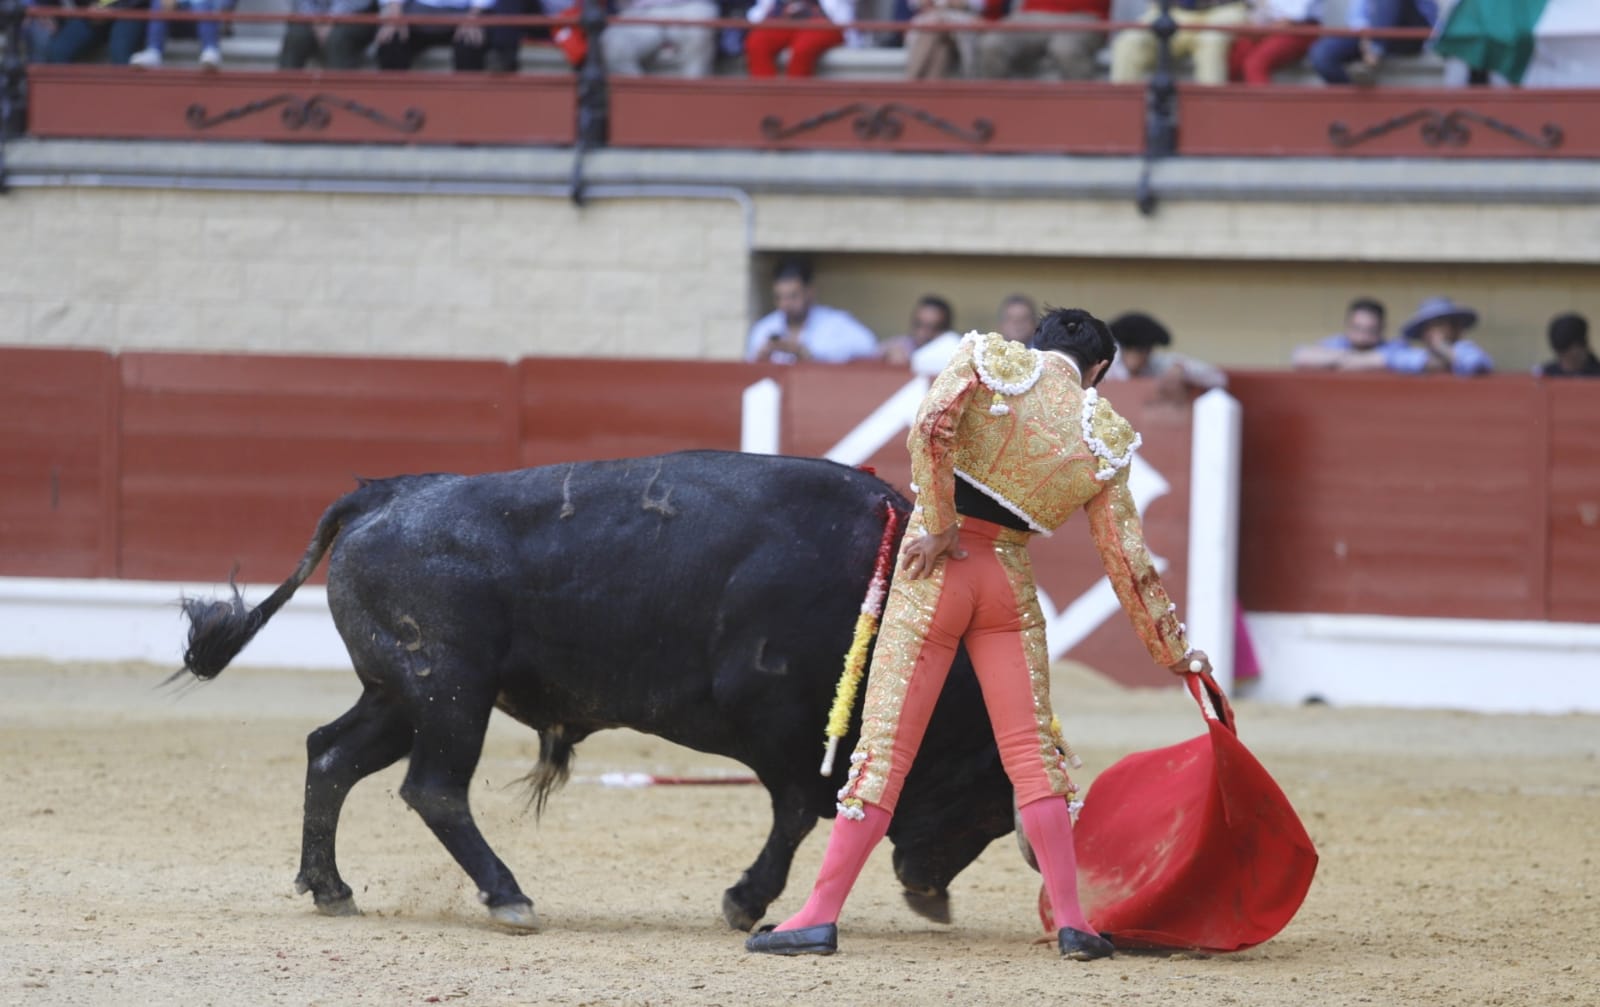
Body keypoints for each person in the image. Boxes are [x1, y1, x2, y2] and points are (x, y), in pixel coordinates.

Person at [744, 310, 1210, 959]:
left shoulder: (994, 362)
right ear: (1098, 370)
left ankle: (819, 915)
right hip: (1008, 587)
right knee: (1031, 756)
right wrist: (1175, 651)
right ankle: (1074, 921)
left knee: (884, 749)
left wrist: (936, 521)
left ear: (1037, 341)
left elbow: (931, 426)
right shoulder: (1101, 431)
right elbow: (1128, 562)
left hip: (937, 571)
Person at [746, 258, 879, 364]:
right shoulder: (764, 328)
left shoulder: (835, 323)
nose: (785, 304)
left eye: (793, 296)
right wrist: (760, 360)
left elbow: (869, 346)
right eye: (779, 297)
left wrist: (810, 354)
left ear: (810, 292)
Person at [1109, 0, 1250, 86]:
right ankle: (1121, 120)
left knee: (1210, 41)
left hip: (1222, 10)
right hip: (1171, 11)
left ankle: (1213, 121)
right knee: (1129, 41)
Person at [1309, 0, 1437, 86]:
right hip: (1368, 34)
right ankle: (1356, 94)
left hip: (1406, 35)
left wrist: (1373, 42)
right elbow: (1356, 17)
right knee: (1322, 54)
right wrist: (1367, 35)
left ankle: (1372, 57)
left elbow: (1429, 19)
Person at [1106, 312, 1228, 399]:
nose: (1143, 357)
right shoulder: (1104, 366)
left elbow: (1218, 378)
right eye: (1138, 351)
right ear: (1123, 348)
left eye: (1147, 351)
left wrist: (1182, 370)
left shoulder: (1156, 363)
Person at [974, 0, 1106, 80]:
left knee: (1065, 49)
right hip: (1032, 14)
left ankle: (1082, 111)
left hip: (1083, 16)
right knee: (992, 43)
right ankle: (997, 111)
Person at [602, 0, 720, 76]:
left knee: (699, 32)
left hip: (693, 6)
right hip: (641, 10)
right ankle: (642, 103)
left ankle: (693, 102)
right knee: (613, 43)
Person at [1290, 297, 1407, 371]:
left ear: (1382, 329)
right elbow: (1300, 357)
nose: (1362, 338)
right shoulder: (1336, 343)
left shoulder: (1394, 347)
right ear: (1347, 326)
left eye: (1370, 330)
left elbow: (1412, 360)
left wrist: (1338, 361)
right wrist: (1360, 359)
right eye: (1357, 329)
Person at [375, 0, 495, 71]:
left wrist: (474, 16)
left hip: (467, 12)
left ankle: (468, 102)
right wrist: (395, 12)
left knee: (471, 41)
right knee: (390, 39)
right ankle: (393, 101)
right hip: (415, 12)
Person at [744, 0, 854, 77]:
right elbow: (759, 12)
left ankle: (795, 100)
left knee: (803, 48)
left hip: (824, 21)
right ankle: (767, 98)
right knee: (757, 41)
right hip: (784, 20)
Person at [1228, 0, 1321, 84]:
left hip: (1300, 30)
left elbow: (1290, 22)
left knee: (1255, 64)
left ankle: (1264, 102)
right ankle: (1229, 102)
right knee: (1235, 58)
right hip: (1268, 28)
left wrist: (1258, 32)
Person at [905, 0, 1003, 79]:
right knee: (940, 44)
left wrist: (961, 3)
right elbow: (913, 3)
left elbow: (988, 5)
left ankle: (911, 82)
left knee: (934, 26)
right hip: (935, 22)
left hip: (970, 21)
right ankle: (929, 91)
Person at [1397, 296, 1493, 375]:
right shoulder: (1416, 353)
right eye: (1428, 327)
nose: (1433, 331)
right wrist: (1436, 363)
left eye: (1439, 324)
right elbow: (1399, 361)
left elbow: (1476, 364)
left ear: (1454, 328)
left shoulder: (1466, 349)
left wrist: (1443, 348)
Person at [278, 0, 381, 69]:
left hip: (354, 15)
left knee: (337, 39)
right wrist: (315, 22)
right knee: (296, 36)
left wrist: (330, 21)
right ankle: (285, 93)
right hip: (314, 18)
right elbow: (301, 3)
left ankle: (339, 96)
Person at [40, 0, 149, 64]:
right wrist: (46, 9)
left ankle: (126, 99)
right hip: (91, 13)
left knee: (119, 50)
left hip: (131, 9)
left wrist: (113, 9)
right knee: (58, 51)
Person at [880, 294, 962, 375]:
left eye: (932, 327)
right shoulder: (900, 345)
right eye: (918, 324)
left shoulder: (956, 352)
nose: (922, 333)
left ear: (946, 330)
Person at [128, 0, 224, 69]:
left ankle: (210, 50)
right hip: (174, 23)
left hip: (205, 24)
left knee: (204, 4)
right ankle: (153, 51)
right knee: (159, 2)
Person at [1536, 313, 1599, 378]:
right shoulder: (1545, 374)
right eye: (1561, 357)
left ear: (1582, 346)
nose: (1566, 365)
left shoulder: (1596, 374)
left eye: (1570, 358)